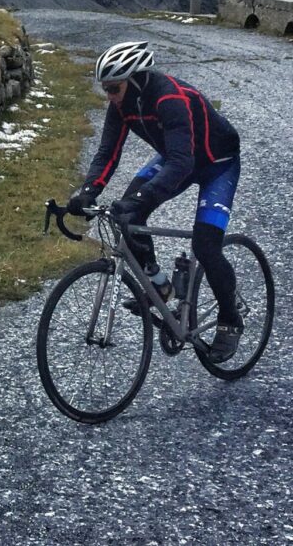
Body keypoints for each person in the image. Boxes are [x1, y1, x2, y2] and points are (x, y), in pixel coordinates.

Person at [67, 40, 246, 362]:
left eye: (113, 88)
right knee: (126, 216)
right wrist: (87, 192)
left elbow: (181, 164)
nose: (109, 96)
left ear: (135, 80)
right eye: (105, 89)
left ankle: (230, 319)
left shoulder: (169, 98)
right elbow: (107, 152)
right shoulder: (121, 105)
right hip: (178, 156)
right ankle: (160, 285)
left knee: (206, 245)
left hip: (217, 164)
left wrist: (141, 198)